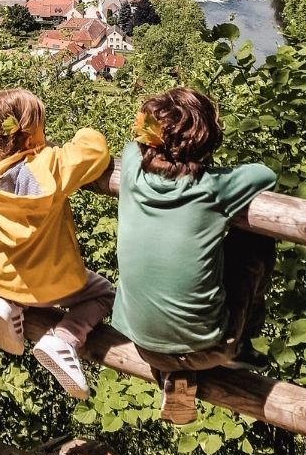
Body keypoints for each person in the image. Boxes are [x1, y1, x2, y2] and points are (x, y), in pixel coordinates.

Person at [112, 87, 277, 423]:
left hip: (144, 345)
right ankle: (241, 344)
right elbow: (266, 174)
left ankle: (174, 376)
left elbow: (132, 147)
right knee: (252, 243)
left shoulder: (131, 170)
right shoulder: (213, 187)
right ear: (208, 141)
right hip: (211, 348)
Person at [0, 88, 114, 400]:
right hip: (54, 285)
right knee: (104, 293)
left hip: (5, 279)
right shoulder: (49, 168)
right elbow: (94, 151)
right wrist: (85, 130)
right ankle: (64, 338)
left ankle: (9, 304)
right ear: (32, 137)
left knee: (18, 278)